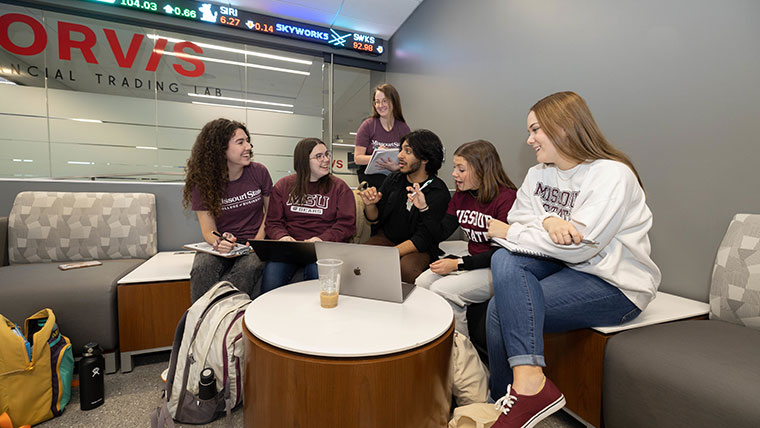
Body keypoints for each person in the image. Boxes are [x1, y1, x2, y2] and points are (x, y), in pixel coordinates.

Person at [484, 91, 661, 428]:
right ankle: (508, 399)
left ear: (563, 127)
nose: (529, 139)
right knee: (504, 267)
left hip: (617, 285)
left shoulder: (612, 174)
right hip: (570, 268)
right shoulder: (540, 174)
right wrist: (549, 221)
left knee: (501, 307)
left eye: (535, 130)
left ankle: (518, 396)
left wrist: (511, 232)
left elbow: (580, 246)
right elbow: (519, 217)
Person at [411, 140, 517, 338]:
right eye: (454, 168)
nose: (454, 174)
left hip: (497, 266)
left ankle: (462, 356)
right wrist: (424, 208)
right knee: (422, 282)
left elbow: (499, 253)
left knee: (444, 290)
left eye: (461, 169)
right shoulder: (461, 196)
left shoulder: (506, 198)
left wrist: (458, 264)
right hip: (473, 260)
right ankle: (429, 340)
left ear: (481, 170)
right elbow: (441, 232)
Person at [183, 118, 272, 301]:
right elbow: (208, 229)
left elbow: (271, 213)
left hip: (254, 240)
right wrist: (220, 241)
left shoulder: (259, 172)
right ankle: (199, 319)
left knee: (250, 266)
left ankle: (224, 315)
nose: (248, 146)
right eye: (240, 142)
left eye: (247, 141)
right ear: (220, 148)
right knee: (202, 268)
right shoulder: (203, 182)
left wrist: (259, 241)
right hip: (224, 242)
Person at [261, 138, 356, 293]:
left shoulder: (339, 187)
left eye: (327, 154)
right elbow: (273, 222)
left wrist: (321, 240)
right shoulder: (283, 186)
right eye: (319, 156)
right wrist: (282, 237)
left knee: (316, 281)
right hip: (289, 249)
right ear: (303, 161)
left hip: (322, 249)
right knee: (271, 280)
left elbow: (346, 225)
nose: (326, 160)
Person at [359, 129, 450, 284]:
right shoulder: (394, 179)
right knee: (361, 258)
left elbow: (423, 238)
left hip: (419, 247)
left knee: (406, 269)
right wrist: (370, 205)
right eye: (401, 150)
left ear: (425, 159)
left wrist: (389, 254)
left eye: (407, 151)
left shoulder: (438, 191)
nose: (400, 155)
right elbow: (375, 218)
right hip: (387, 239)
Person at [354, 83, 412, 189]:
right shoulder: (368, 125)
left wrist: (396, 167)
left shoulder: (403, 128)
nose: (380, 105)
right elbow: (357, 158)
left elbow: (410, 158)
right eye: (377, 102)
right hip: (372, 180)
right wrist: (377, 156)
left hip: (396, 177)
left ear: (394, 102)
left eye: (384, 101)